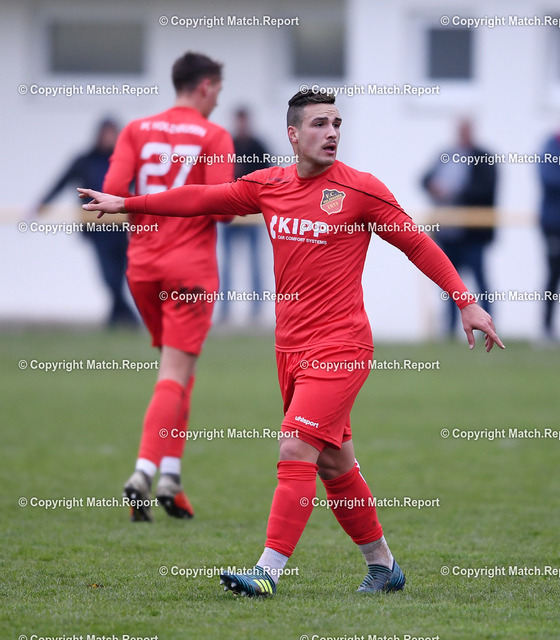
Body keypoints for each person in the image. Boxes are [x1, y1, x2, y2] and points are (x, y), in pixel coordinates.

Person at [79, 90, 503, 596]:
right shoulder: (270, 185)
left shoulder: (361, 189)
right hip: (289, 351)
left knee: (295, 446)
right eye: (320, 123)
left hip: (342, 347)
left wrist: (465, 301)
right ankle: (383, 566)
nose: (332, 132)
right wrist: (128, 203)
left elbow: (417, 243)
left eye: (337, 123)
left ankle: (267, 571)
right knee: (334, 462)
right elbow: (200, 199)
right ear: (293, 135)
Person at [101, 52, 234, 521]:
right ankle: (144, 471)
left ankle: (171, 480)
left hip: (142, 269)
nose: (218, 100)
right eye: (218, 91)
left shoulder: (136, 129)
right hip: (189, 271)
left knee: (178, 369)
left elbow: (114, 188)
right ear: (204, 86)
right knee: (175, 372)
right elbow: (222, 208)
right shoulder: (214, 135)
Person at [33, 118, 138, 327]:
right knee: (109, 276)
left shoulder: (126, 160)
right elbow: (61, 182)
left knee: (121, 275)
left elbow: (143, 185)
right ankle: (128, 318)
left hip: (121, 227)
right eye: (106, 134)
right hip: (97, 228)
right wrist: (42, 205)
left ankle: (116, 318)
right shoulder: (85, 161)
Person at [422, 119, 497, 335]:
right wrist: (434, 187)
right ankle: (450, 329)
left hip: (473, 235)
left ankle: (489, 327)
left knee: (481, 283)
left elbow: (486, 189)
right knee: (449, 284)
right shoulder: (446, 155)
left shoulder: (483, 157)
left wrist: (454, 192)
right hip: (448, 233)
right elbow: (424, 178)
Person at [218, 108, 270, 322]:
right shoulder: (227, 145)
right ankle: (225, 309)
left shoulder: (258, 146)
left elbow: (269, 178)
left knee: (255, 261)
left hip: (252, 213)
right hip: (230, 213)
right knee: (227, 263)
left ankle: (256, 310)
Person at [539, 125, 560, 341]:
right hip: (555, 225)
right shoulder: (550, 147)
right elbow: (550, 179)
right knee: (554, 275)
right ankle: (546, 328)